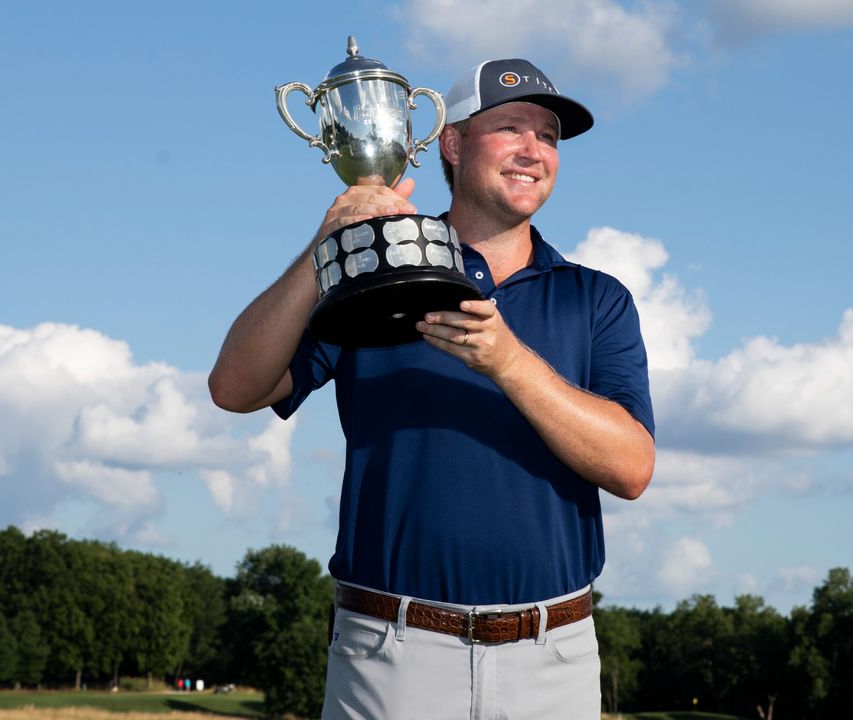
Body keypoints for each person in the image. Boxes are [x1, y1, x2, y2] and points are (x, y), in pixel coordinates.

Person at [210, 58, 655, 719]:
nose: (534, 149)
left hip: (553, 656)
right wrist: (327, 245)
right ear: (450, 142)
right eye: (510, 127)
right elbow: (235, 387)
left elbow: (631, 467)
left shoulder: (596, 299)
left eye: (549, 135)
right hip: (391, 654)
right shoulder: (377, 271)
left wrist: (507, 361)